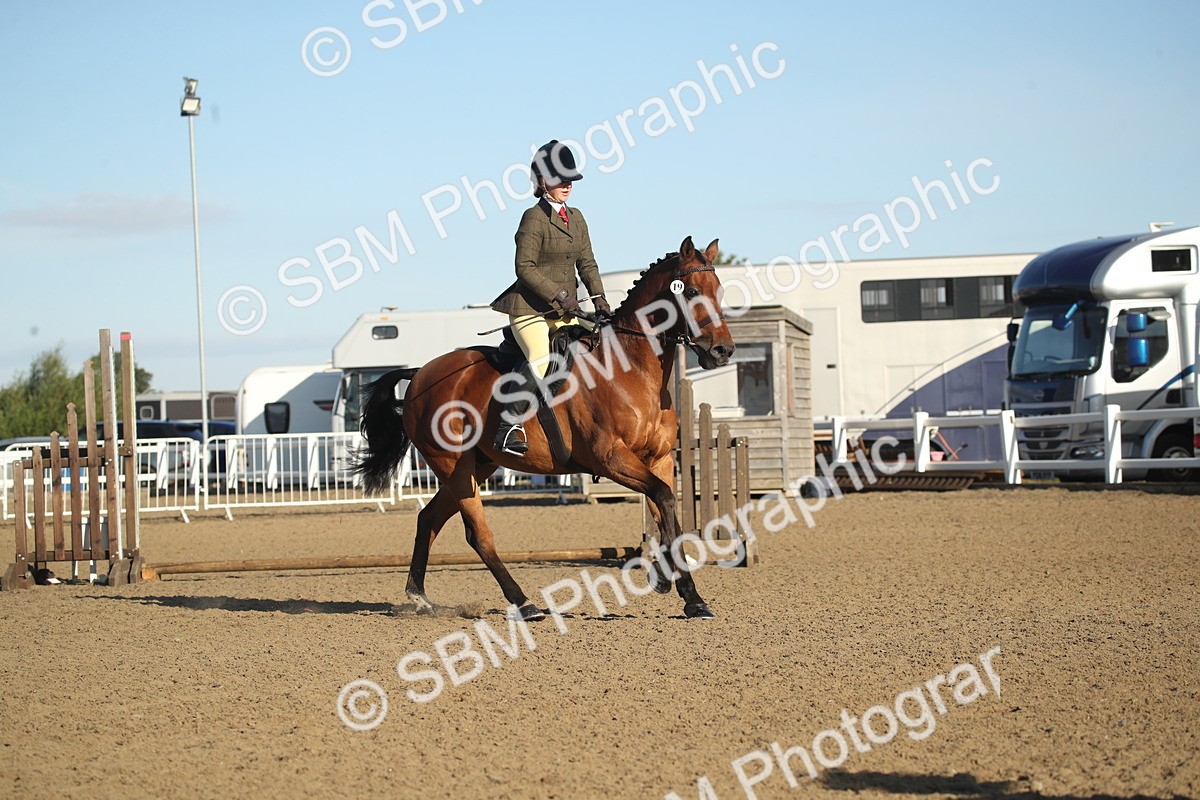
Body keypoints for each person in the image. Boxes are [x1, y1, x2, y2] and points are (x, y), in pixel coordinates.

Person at [489, 140, 612, 456]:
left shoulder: (578, 217)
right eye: (559, 179)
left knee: (599, 346)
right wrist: (558, 295)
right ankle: (508, 425)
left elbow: (586, 261)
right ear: (543, 181)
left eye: (570, 179)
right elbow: (524, 268)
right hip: (530, 308)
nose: (567, 185)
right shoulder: (533, 218)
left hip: (565, 309)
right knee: (541, 358)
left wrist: (598, 297)